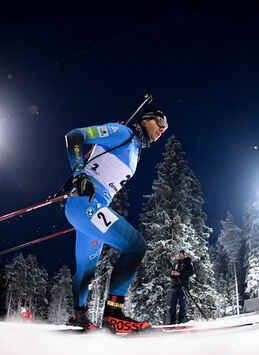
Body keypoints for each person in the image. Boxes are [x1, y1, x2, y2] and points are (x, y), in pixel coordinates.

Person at [64, 108, 168, 333]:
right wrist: (79, 174)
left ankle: (79, 315)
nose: (162, 129)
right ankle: (114, 315)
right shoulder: (122, 132)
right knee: (135, 246)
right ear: (145, 118)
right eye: (160, 121)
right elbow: (74, 135)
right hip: (85, 203)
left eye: (165, 127)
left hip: (88, 210)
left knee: (86, 270)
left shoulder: (135, 150)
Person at [169, 250, 193, 324]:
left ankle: (181, 321)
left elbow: (190, 273)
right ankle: (172, 321)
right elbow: (174, 276)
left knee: (182, 304)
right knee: (172, 304)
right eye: (177, 254)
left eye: (179, 254)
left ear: (183, 254)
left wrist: (180, 273)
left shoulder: (188, 263)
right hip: (175, 286)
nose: (178, 255)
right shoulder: (177, 264)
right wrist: (172, 273)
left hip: (183, 286)